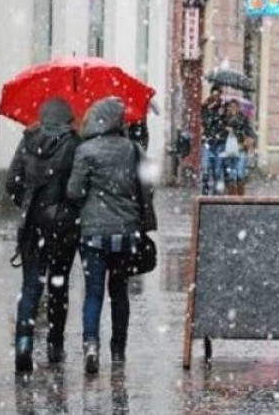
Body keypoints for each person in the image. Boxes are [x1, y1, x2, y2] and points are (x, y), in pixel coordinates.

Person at [66, 97, 157, 374]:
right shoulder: (133, 149)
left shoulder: (85, 151)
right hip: (125, 233)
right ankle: (118, 350)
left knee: (93, 293)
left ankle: (91, 345)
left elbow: (74, 192)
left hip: (92, 234)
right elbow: (148, 186)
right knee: (119, 293)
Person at [6, 98, 81, 372]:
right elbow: (76, 188)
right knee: (58, 285)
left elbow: (12, 182)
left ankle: (23, 346)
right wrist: (67, 207)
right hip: (62, 226)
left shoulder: (28, 140)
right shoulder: (74, 143)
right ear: (67, 118)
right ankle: (55, 345)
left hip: (32, 225)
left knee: (30, 286)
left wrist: (27, 202)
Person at [223, 99, 257, 195]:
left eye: (235, 107)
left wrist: (246, 139)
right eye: (231, 107)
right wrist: (225, 129)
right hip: (229, 151)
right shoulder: (224, 119)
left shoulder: (243, 119)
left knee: (240, 174)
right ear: (228, 108)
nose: (233, 109)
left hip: (241, 149)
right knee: (231, 175)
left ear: (238, 108)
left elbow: (249, 132)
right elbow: (220, 134)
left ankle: (240, 197)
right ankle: (232, 197)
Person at [200, 85, 227, 194]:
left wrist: (223, 115)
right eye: (214, 94)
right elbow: (206, 122)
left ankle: (216, 192)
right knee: (205, 167)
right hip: (208, 141)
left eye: (218, 95)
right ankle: (205, 189)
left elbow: (226, 124)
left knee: (217, 169)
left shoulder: (224, 107)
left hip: (219, 142)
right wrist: (212, 111)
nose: (216, 97)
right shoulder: (205, 105)